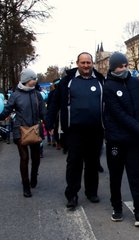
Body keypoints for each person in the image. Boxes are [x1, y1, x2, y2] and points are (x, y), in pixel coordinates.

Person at [103, 52, 139, 226]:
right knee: (116, 174)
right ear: (113, 68)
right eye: (120, 67)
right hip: (115, 138)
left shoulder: (134, 82)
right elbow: (119, 115)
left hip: (132, 139)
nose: (124, 69)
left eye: (126, 66)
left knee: (135, 174)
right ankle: (117, 207)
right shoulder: (108, 87)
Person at [46, 52, 105, 209]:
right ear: (77, 63)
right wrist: (49, 123)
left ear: (93, 63)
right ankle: (72, 194)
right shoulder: (67, 81)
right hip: (74, 131)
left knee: (92, 163)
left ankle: (91, 192)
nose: (86, 65)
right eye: (83, 63)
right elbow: (55, 103)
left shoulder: (100, 80)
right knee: (74, 162)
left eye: (88, 63)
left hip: (96, 130)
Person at [0, 68, 46, 197]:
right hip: (19, 130)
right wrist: (1, 116)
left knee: (36, 158)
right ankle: (26, 185)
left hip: (35, 129)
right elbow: (7, 110)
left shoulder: (37, 94)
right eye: (33, 79)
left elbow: (43, 113)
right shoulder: (16, 95)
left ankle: (33, 175)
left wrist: (48, 125)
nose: (35, 81)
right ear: (26, 80)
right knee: (24, 157)